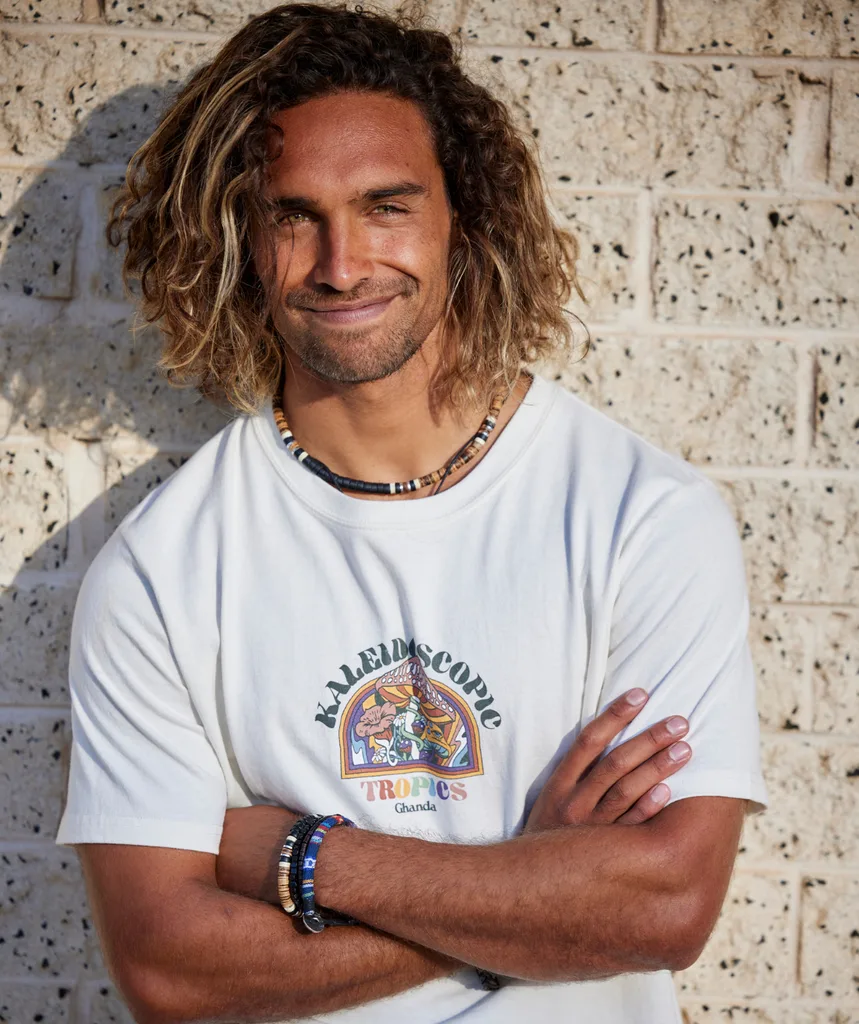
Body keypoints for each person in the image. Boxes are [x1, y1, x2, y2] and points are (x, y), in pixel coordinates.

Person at [54, 3, 769, 1022]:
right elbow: (173, 974)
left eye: (385, 206)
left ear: (463, 220)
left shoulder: (642, 518)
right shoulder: (163, 571)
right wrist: (536, 879)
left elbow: (663, 906)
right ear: (237, 242)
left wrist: (304, 859)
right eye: (292, 216)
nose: (342, 263)